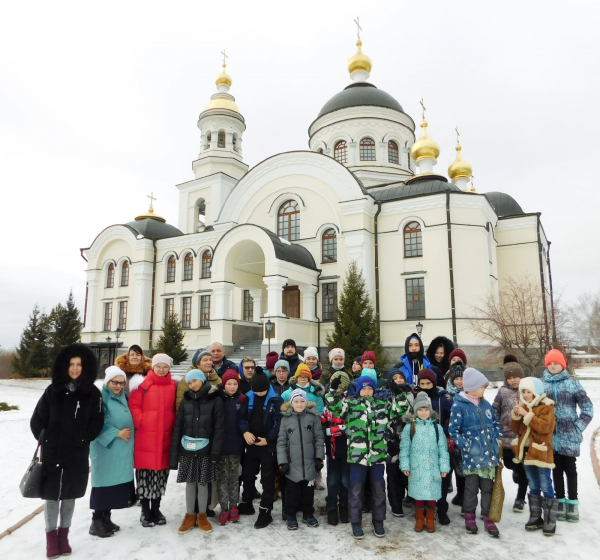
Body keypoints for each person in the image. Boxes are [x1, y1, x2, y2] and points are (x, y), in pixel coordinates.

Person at [30, 344, 104, 558]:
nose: (74, 368)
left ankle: (64, 536)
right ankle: (51, 538)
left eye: (78, 364)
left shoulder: (92, 393)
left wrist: (83, 439)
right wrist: (47, 439)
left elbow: (97, 421)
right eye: (71, 364)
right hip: (52, 453)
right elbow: (37, 420)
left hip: (76, 453)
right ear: (65, 365)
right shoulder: (53, 390)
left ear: (85, 367)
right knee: (52, 496)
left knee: (69, 496)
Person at [326, 374, 406, 540]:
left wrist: (398, 393)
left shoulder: (383, 405)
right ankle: (356, 522)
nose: (367, 391)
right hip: (357, 456)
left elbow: (402, 409)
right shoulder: (350, 404)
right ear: (359, 390)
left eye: (370, 388)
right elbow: (334, 406)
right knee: (355, 491)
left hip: (377, 456)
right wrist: (332, 390)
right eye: (364, 388)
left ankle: (378, 520)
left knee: (378, 490)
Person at [449, 368, 503, 538]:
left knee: (487, 488)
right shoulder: (459, 405)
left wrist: (498, 438)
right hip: (472, 458)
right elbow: (453, 430)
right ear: (472, 387)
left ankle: (487, 516)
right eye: (482, 386)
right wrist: (466, 444)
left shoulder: (485, 404)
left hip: (488, 457)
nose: (484, 389)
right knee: (471, 488)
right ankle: (469, 515)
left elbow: (495, 423)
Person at [170, 369, 224, 535]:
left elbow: (219, 428)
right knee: (190, 483)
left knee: (203, 482)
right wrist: (175, 452)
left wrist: (215, 451)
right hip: (188, 448)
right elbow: (178, 427)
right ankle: (189, 514)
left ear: (202, 381)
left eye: (195, 381)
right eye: (190, 382)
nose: (193, 384)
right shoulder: (186, 401)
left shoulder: (214, 399)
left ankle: (202, 514)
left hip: (206, 449)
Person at [542, 349, 593, 523]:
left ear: (562, 365)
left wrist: (577, 427)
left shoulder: (573, 384)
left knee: (570, 469)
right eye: (550, 363)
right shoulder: (542, 384)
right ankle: (560, 502)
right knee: (555, 469)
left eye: (556, 363)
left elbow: (587, 408)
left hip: (569, 433)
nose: (553, 366)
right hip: (551, 435)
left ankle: (572, 503)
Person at [129, 353, 177, 528]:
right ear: (153, 367)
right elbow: (134, 406)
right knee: (145, 476)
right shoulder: (142, 384)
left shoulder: (174, 385)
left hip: (165, 437)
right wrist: (142, 421)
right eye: (159, 366)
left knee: (160, 476)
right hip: (145, 437)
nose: (162, 369)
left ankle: (156, 509)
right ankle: (145, 510)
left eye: (165, 366)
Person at [89, 366, 136, 538]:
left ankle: (106, 519)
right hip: (105, 449)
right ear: (107, 382)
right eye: (115, 382)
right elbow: (95, 422)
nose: (118, 386)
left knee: (112, 487)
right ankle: (96, 522)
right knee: (102, 486)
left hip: (119, 450)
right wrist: (117, 433)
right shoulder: (100, 398)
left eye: (122, 383)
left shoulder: (123, 396)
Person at [510, 377, 558, 536]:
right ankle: (535, 516)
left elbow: (545, 427)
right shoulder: (524, 406)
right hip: (527, 452)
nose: (526, 394)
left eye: (528, 391)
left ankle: (550, 519)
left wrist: (526, 414)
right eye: (523, 391)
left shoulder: (547, 406)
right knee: (533, 484)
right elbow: (515, 428)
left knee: (545, 484)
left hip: (541, 452)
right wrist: (517, 414)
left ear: (535, 391)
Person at [238, 368, 283, 529]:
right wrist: (245, 432)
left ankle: (266, 510)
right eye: (256, 391)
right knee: (248, 474)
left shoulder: (275, 399)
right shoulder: (248, 397)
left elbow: (279, 422)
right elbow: (242, 417)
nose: (259, 393)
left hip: (267, 445)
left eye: (262, 391)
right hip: (251, 443)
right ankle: (247, 502)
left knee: (267, 478)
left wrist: (269, 439)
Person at [400, 393, 450, 533]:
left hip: (433, 468)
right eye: (420, 409)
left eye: (426, 409)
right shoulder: (409, 428)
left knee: (432, 496)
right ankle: (419, 518)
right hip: (417, 468)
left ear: (430, 410)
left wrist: (444, 466)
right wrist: (405, 465)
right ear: (415, 411)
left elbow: (443, 449)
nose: (423, 412)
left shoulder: (437, 428)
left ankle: (430, 518)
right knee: (419, 496)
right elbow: (405, 448)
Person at [277, 389, 325, 530]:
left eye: (302, 401)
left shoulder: (313, 417)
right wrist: (283, 462)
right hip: (293, 464)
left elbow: (318, 439)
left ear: (306, 402)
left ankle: (308, 513)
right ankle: (291, 514)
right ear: (291, 403)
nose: (299, 404)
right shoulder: (285, 419)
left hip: (310, 463)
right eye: (296, 401)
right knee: (291, 492)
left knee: (308, 492)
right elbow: (281, 442)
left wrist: (319, 458)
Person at [414, 369, 453, 524]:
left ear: (433, 383)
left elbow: (452, 417)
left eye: (428, 383)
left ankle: (441, 508)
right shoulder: (417, 398)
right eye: (422, 383)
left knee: (442, 477)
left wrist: (444, 432)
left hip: (439, 442)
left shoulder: (442, 398)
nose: (425, 386)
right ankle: (423, 508)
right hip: (422, 445)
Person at [492, 361, 528, 512]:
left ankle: (520, 498)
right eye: (510, 377)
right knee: (509, 463)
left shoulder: (526, 391)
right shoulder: (502, 392)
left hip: (522, 438)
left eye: (516, 377)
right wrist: (496, 428)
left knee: (524, 469)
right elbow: (495, 409)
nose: (513, 380)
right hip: (505, 436)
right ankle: (516, 471)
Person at [322, 368, 352, 525]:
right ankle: (331, 507)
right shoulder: (327, 401)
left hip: (347, 448)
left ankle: (344, 507)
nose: (339, 390)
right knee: (333, 480)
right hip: (332, 448)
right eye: (336, 387)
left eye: (342, 387)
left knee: (346, 481)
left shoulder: (350, 401)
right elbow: (324, 422)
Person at [216, 369, 246, 525]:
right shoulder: (218, 398)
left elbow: (243, 419)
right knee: (222, 478)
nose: (232, 386)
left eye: (235, 383)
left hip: (236, 445)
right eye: (229, 383)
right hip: (220, 445)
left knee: (234, 477)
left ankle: (234, 506)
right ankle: (224, 507)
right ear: (224, 385)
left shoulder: (242, 399)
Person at [384, 368, 414, 518]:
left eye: (400, 377)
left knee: (408, 473)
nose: (398, 380)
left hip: (408, 440)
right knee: (393, 475)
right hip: (391, 439)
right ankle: (396, 505)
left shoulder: (411, 393)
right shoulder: (385, 395)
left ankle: (412, 498)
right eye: (394, 378)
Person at [444, 360, 466, 508]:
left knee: (461, 467)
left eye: (461, 378)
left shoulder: (469, 394)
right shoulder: (447, 395)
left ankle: (462, 494)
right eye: (456, 379)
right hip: (448, 434)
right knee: (448, 465)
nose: (459, 382)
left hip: (463, 435)